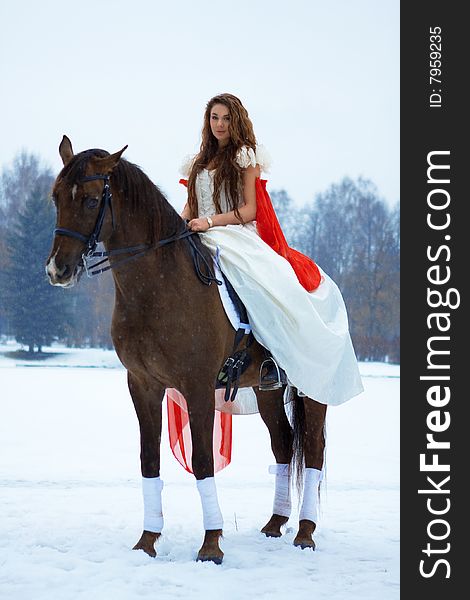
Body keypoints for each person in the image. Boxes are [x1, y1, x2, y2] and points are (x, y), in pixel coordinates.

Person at [179, 93, 363, 406]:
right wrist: (178, 226)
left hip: (234, 233)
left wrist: (209, 222)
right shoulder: (197, 162)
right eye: (214, 118)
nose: (219, 124)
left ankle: (270, 355)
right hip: (199, 231)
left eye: (225, 118)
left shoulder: (245, 157)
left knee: (260, 282)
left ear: (235, 121)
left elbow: (249, 210)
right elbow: (190, 205)